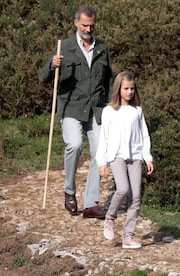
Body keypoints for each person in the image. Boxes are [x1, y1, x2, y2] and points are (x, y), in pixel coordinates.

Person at [39, 5, 113, 219]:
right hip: (71, 106)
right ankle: (69, 192)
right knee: (75, 144)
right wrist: (52, 65)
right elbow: (42, 77)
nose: (88, 29)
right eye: (84, 25)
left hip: (96, 108)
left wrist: (111, 105)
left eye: (91, 25)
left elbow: (108, 79)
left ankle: (91, 203)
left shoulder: (102, 48)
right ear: (75, 23)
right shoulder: (65, 47)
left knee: (100, 152)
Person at [96, 71, 154, 249]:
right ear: (118, 89)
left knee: (136, 196)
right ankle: (110, 218)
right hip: (116, 156)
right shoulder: (109, 111)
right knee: (122, 188)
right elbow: (103, 138)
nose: (129, 92)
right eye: (126, 88)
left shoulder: (137, 111)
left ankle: (129, 236)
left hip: (135, 156)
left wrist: (147, 156)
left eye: (132, 88)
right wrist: (102, 161)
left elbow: (144, 135)